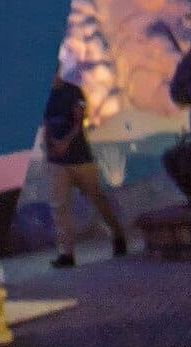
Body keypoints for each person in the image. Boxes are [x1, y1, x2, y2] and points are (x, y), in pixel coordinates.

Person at [40, 76, 129, 268]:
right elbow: (46, 123)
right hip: (57, 161)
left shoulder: (73, 91)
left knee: (98, 199)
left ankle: (118, 234)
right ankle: (66, 253)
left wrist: (65, 142)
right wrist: (50, 146)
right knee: (59, 206)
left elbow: (78, 121)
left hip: (80, 158)